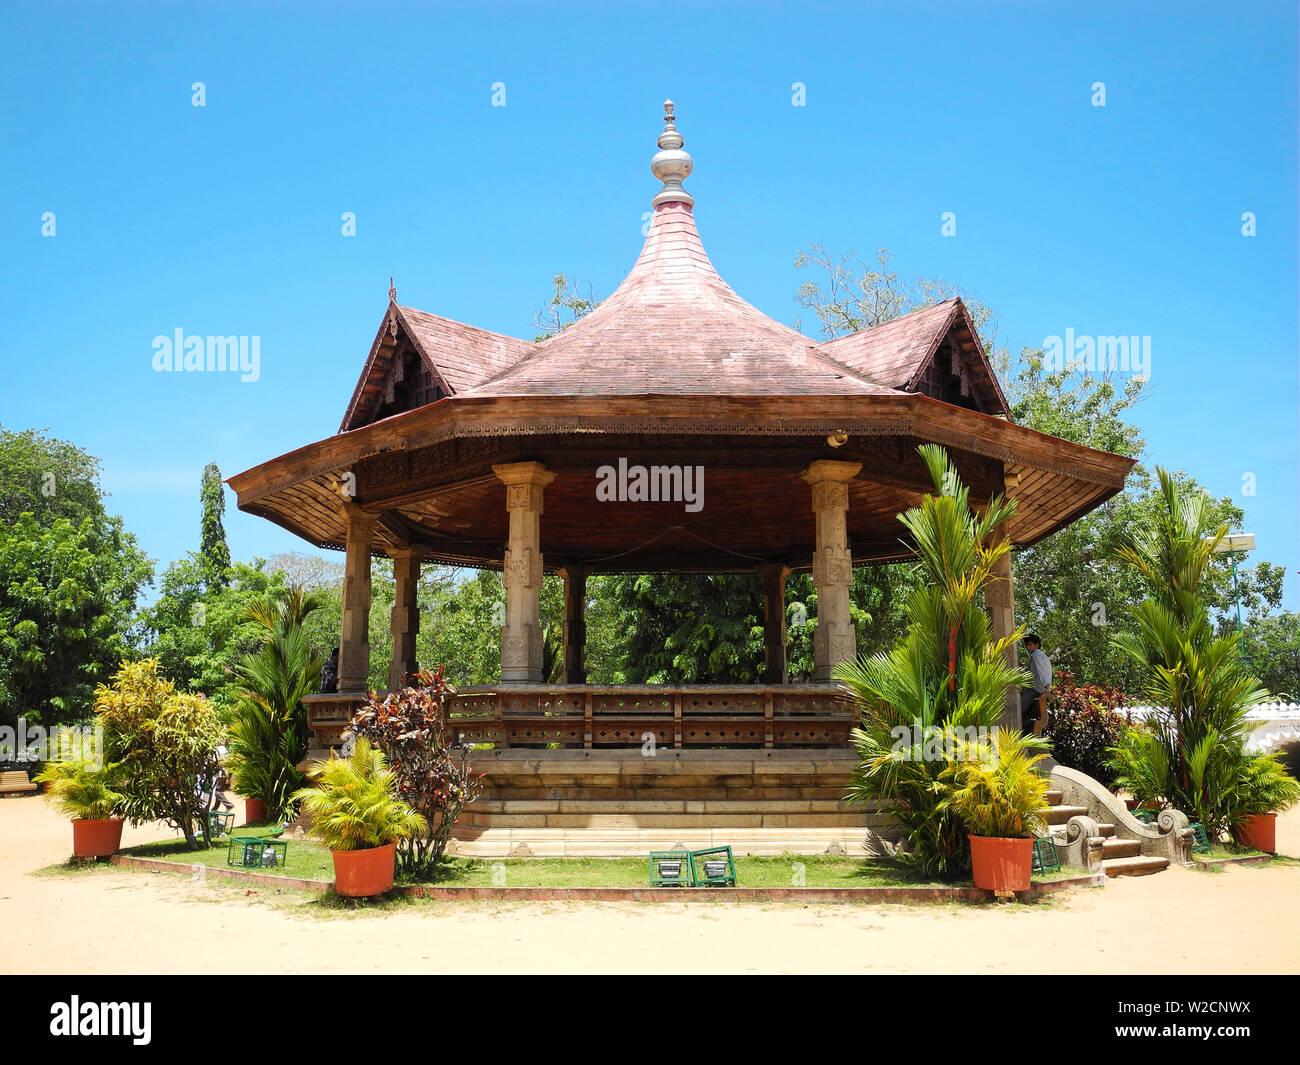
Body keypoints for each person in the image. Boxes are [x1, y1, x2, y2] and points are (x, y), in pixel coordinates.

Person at [1020, 634, 1052, 735]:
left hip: (1037, 688)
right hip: (1040, 688)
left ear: (1037, 645)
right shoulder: (1041, 655)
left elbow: (1040, 673)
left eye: (1030, 645)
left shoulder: (1036, 655)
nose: (1028, 647)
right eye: (1027, 645)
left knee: (1017, 706)